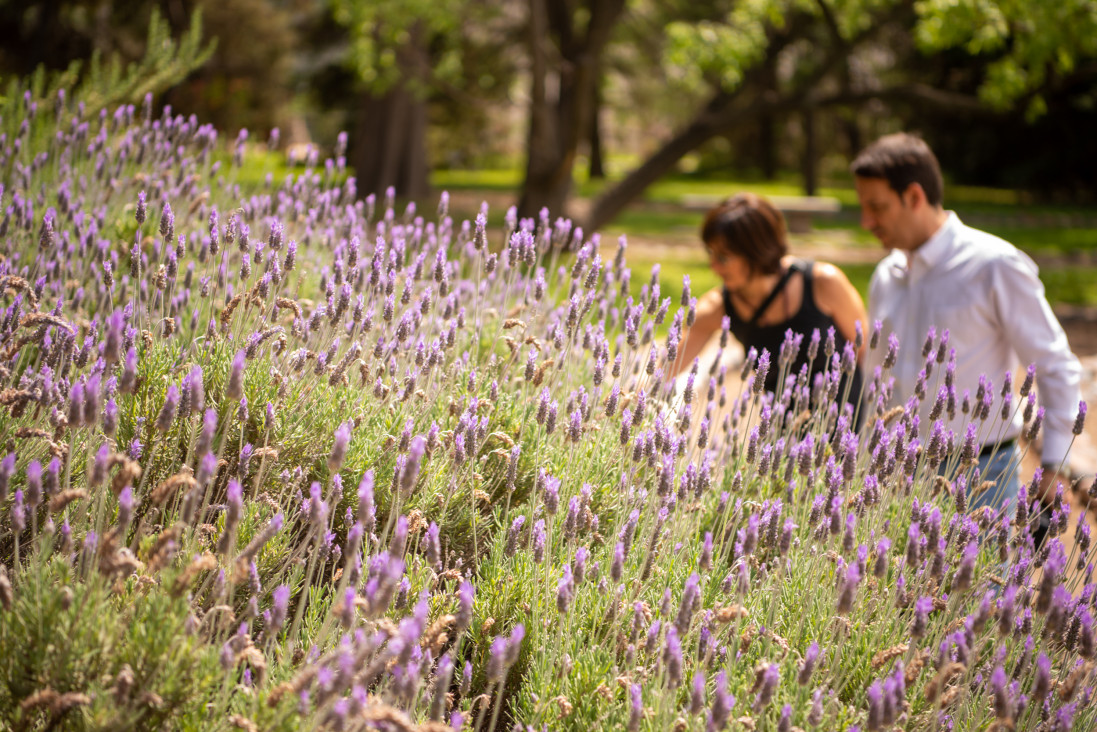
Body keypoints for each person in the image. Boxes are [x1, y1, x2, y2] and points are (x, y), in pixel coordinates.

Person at [851, 132, 1082, 520]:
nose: (866, 221)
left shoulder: (993, 265)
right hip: (895, 476)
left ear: (914, 197)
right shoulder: (885, 275)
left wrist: (1055, 464)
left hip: (979, 477)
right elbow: (877, 378)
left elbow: (1055, 363)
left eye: (876, 207)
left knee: (980, 584)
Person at [674, 193, 867, 410]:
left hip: (847, 426)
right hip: (782, 435)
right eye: (710, 253)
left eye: (723, 257)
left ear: (757, 252)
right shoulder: (717, 307)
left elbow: (865, 351)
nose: (713, 266)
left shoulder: (823, 283)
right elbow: (667, 366)